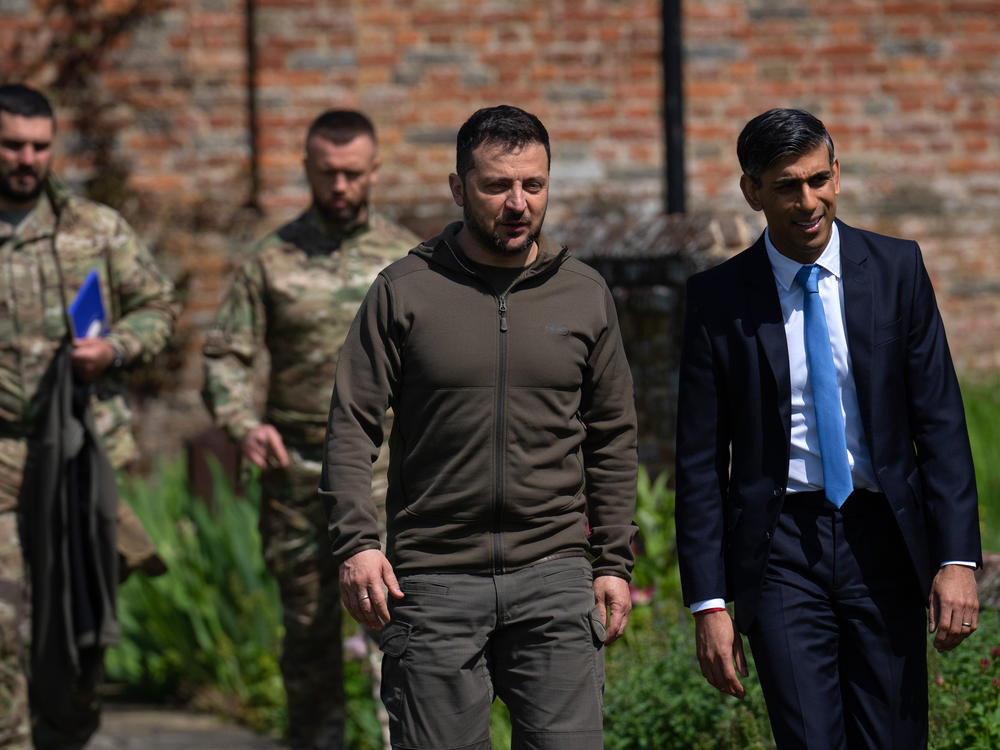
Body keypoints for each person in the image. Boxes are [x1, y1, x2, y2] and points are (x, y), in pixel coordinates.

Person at [320, 104, 638, 750]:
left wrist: (612, 560)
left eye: (533, 185)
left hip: (553, 576)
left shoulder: (582, 294)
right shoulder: (404, 291)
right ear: (458, 188)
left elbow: (611, 435)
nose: (518, 203)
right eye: (497, 186)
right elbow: (352, 423)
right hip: (434, 580)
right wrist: (357, 543)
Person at [674, 107, 982, 749]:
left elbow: (942, 422)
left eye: (819, 179)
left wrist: (955, 559)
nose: (808, 201)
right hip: (782, 545)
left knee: (894, 737)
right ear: (751, 191)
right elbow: (700, 461)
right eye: (787, 186)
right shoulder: (718, 299)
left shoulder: (897, 270)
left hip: (885, 539)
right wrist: (708, 602)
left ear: (837, 173)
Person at [202, 109, 418, 750]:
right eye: (328, 174)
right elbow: (225, 356)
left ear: (375, 170)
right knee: (308, 643)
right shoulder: (272, 261)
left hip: (388, 481)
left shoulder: (407, 260)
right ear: (307, 170)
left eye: (354, 173)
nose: (342, 186)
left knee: (403, 637)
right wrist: (242, 423)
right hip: (297, 477)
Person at [0, 84, 177, 749]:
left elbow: (158, 307)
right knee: (5, 626)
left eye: (39, 146)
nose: (27, 158)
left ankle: (68, 731)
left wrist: (115, 348)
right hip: (4, 458)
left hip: (81, 459)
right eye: (13, 144)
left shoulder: (94, 228)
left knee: (79, 627)